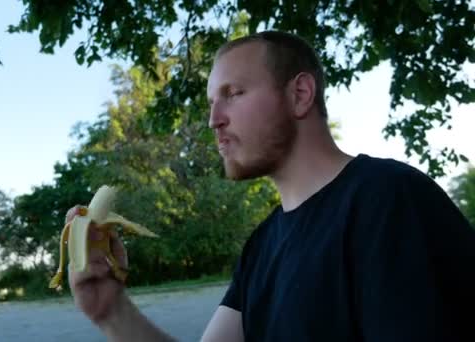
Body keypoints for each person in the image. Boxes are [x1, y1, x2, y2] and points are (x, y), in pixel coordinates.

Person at [64, 31, 475, 341]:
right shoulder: (262, 245)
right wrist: (111, 311)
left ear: (299, 94)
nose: (214, 120)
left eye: (233, 94)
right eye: (211, 102)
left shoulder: (390, 200)